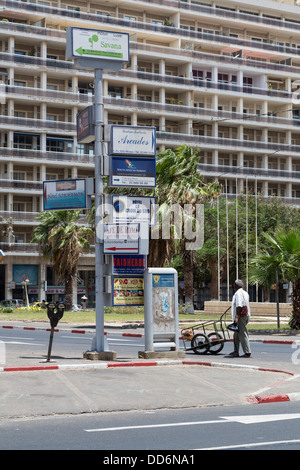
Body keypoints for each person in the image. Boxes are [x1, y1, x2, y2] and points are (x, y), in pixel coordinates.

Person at [230, 279, 252, 358]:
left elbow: (239, 305)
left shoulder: (238, 293)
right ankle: (236, 351)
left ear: (236, 285)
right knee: (236, 334)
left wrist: (236, 317)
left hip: (241, 317)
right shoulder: (245, 293)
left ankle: (248, 352)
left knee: (242, 334)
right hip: (245, 315)